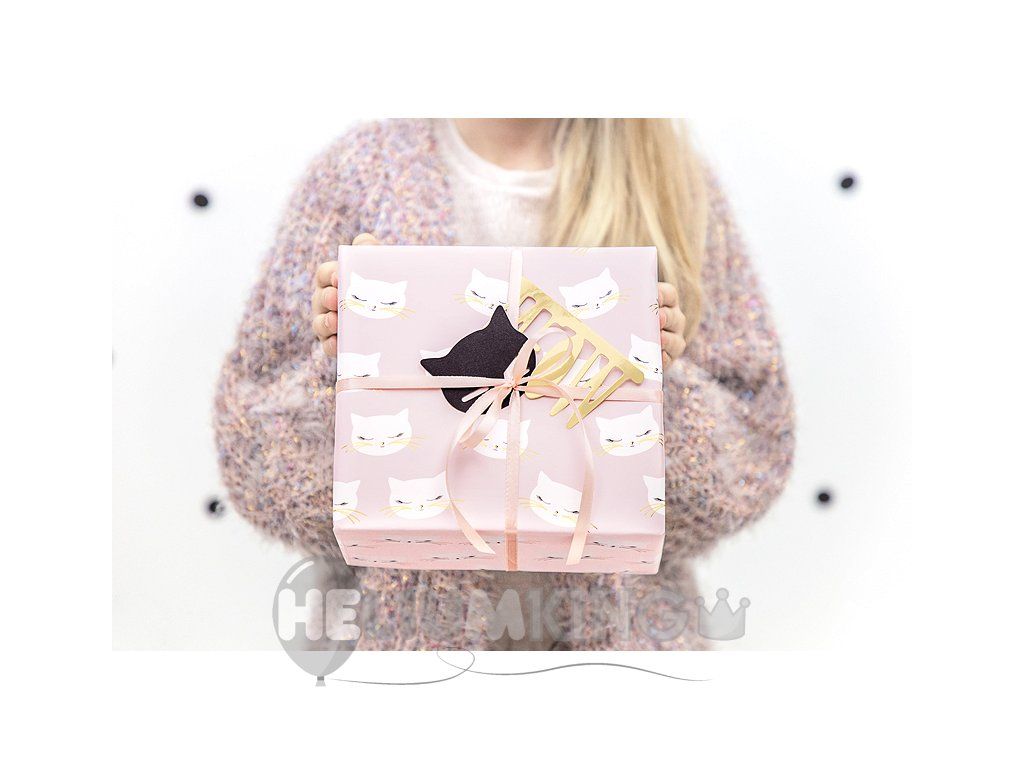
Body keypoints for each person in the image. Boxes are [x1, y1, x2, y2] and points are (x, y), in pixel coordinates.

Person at [214, 119, 795, 650]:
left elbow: (756, 449)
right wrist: (356, 378)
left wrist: (649, 392)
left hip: (628, 659)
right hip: (392, 659)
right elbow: (252, 455)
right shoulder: (357, 172)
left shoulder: (669, 179)